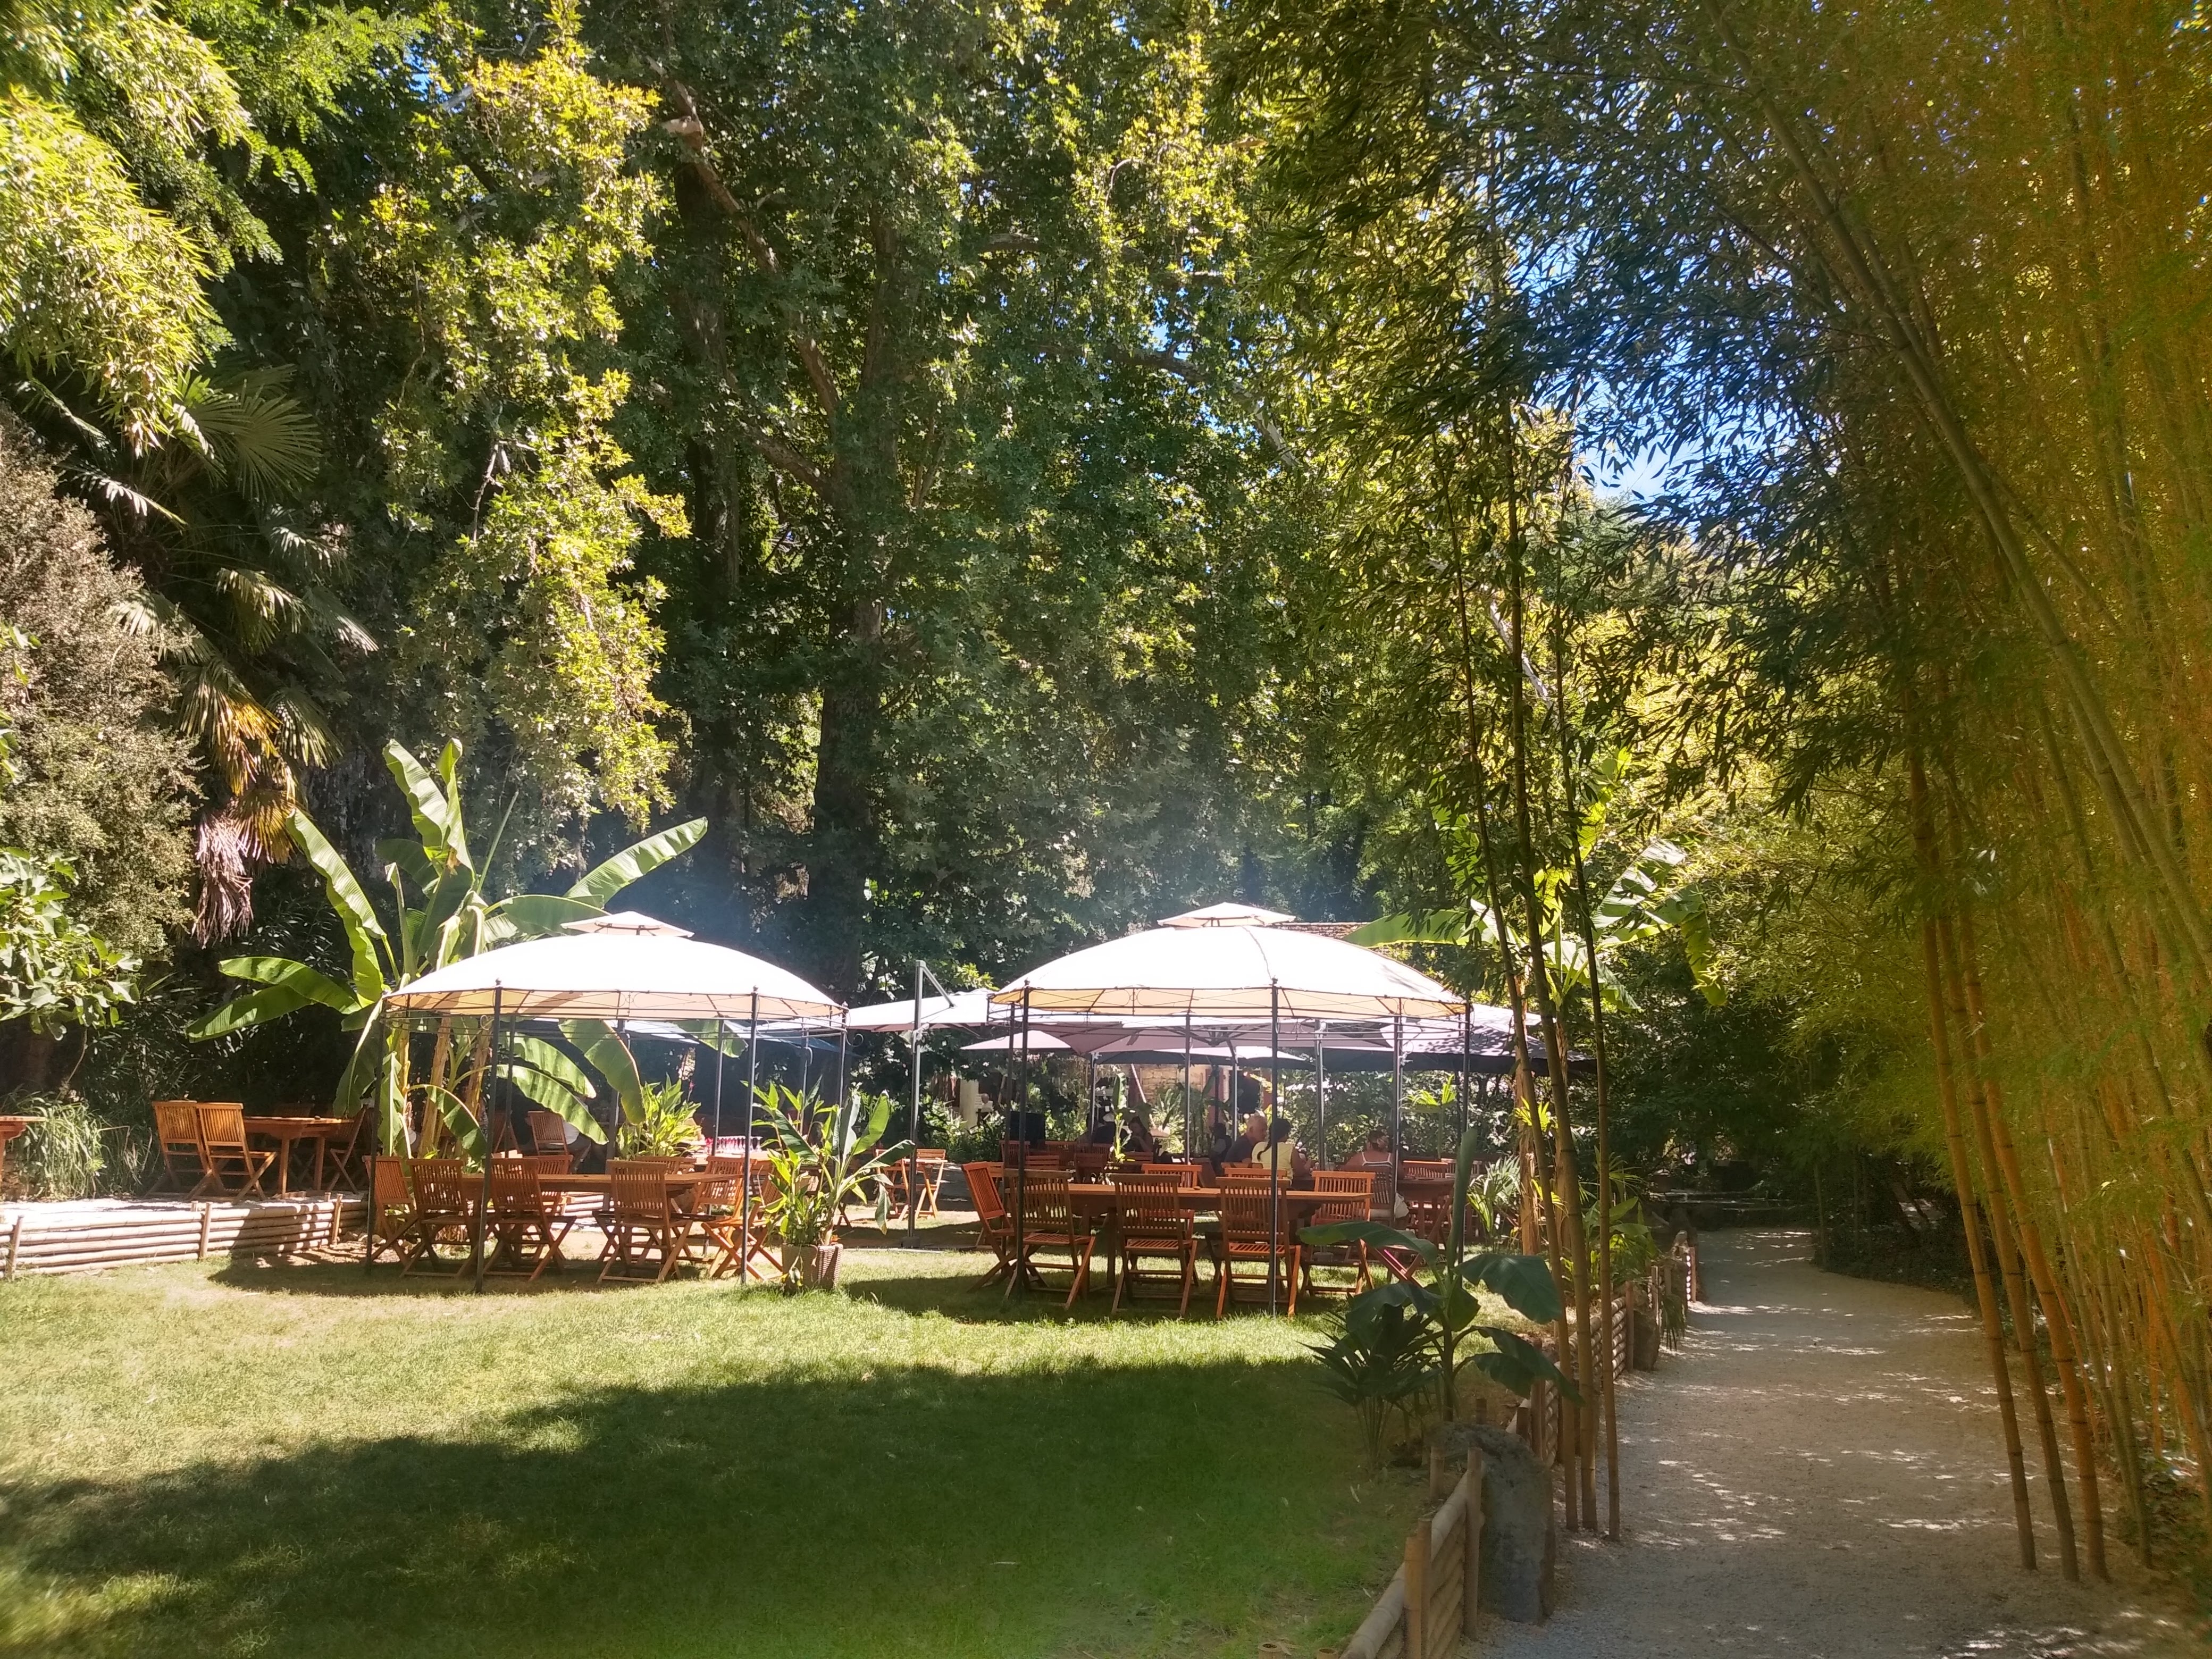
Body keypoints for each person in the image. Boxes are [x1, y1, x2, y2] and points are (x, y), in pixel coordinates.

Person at [1249, 1116, 1312, 1187]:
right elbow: (1300, 1172)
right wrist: (1309, 1163)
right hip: (1280, 1191)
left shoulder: (1258, 1146)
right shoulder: (1289, 1149)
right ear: (1285, 1134)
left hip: (1257, 1190)